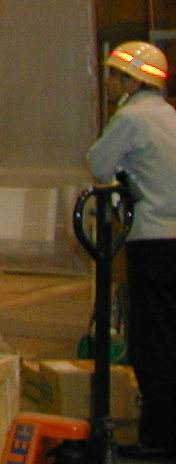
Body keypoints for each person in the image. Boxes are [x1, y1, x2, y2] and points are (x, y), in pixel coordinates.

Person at [85, 40, 176, 459]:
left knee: (152, 342)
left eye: (114, 75)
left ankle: (158, 437)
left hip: (153, 242)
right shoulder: (169, 115)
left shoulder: (131, 117)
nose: (108, 81)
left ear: (132, 82)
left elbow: (99, 163)